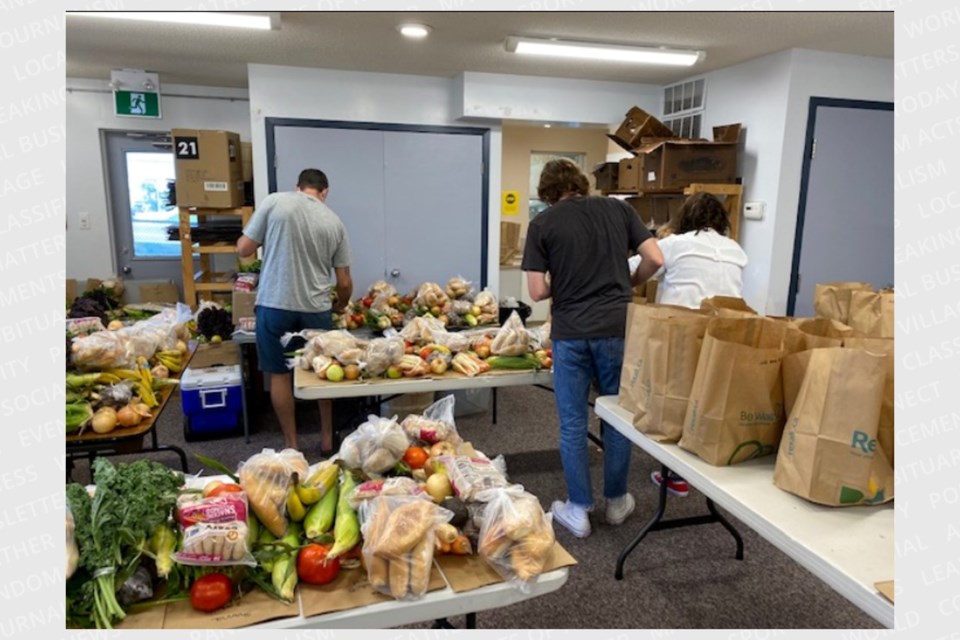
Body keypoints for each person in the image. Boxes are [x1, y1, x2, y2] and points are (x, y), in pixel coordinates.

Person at [522, 158, 664, 538]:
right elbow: (656, 258)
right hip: (618, 328)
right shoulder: (620, 209)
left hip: (571, 334)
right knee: (616, 417)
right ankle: (617, 502)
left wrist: (565, 282)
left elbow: (536, 291)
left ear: (548, 193)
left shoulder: (543, 224)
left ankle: (579, 509)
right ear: (582, 184)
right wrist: (630, 281)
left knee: (572, 423)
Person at [630, 191, 748, 497]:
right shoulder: (735, 249)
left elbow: (631, 267)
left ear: (685, 217)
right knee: (707, 401)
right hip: (726, 335)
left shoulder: (674, 244)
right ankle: (702, 465)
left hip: (683, 332)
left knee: (673, 402)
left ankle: (675, 475)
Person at [237, 168, 353, 453]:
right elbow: (344, 281)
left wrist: (265, 238)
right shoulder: (334, 221)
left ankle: (292, 444)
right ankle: (327, 438)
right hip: (315, 309)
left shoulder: (275, 202)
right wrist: (340, 303)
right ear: (324, 192)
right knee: (322, 372)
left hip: (275, 305)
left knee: (280, 375)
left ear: (298, 187)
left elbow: (244, 249)